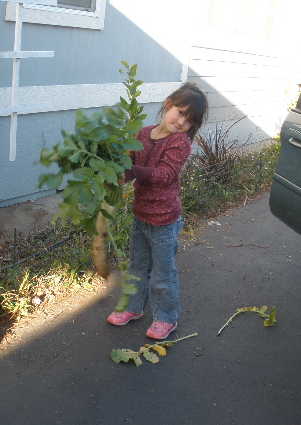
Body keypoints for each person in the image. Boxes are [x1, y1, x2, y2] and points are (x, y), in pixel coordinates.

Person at [107, 82, 209, 340]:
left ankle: (167, 317)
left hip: (164, 221)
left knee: (163, 275)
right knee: (137, 267)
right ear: (167, 104)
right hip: (140, 216)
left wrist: (132, 172)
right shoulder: (142, 134)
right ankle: (133, 308)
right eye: (180, 112)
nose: (182, 122)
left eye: (189, 120)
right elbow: (128, 166)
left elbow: (164, 175)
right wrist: (117, 173)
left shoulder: (179, 143)